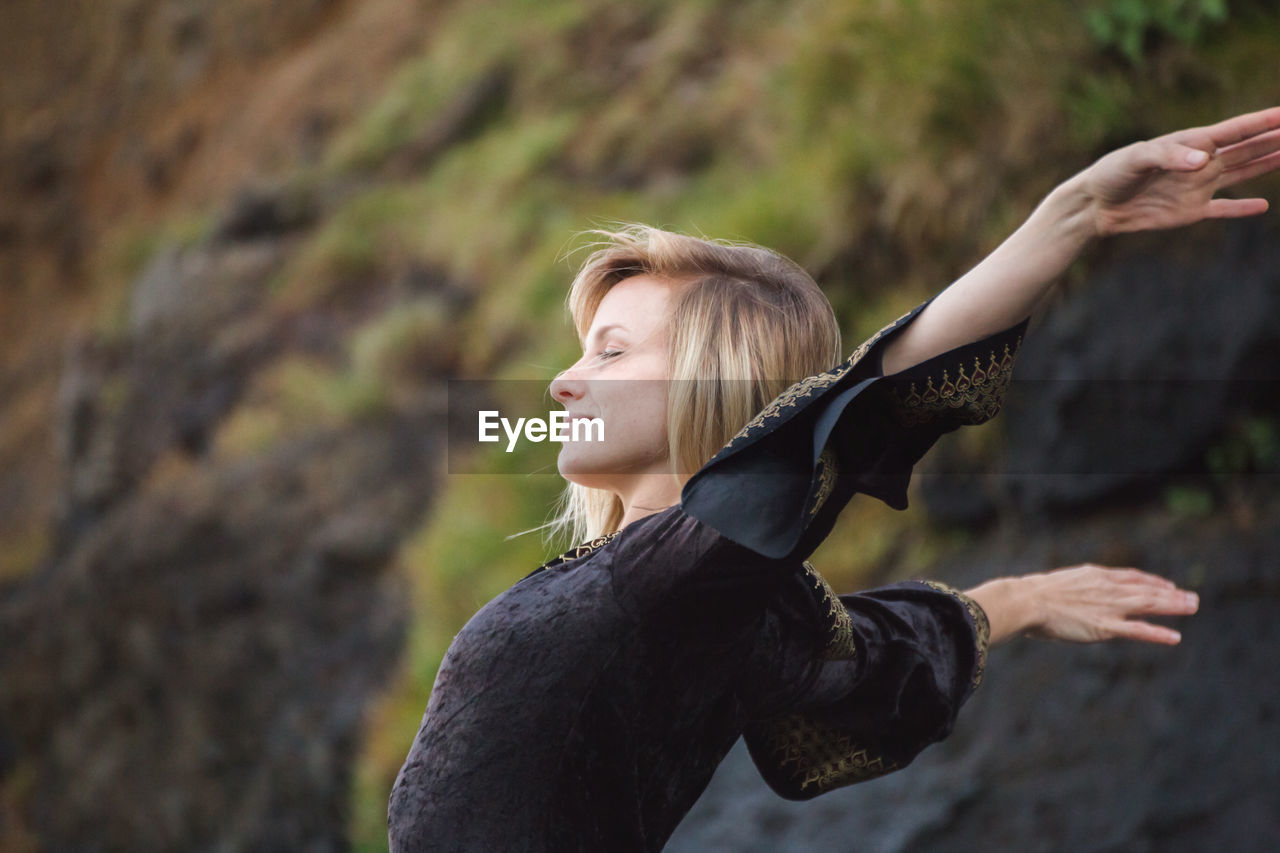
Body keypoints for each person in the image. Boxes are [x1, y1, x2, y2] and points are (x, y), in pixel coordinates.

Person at [387, 106, 1280, 851]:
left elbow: (865, 403)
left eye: (613, 351)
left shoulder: (675, 580)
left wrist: (1075, 211)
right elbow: (890, 648)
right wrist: (1020, 597)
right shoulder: (705, 602)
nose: (561, 381)